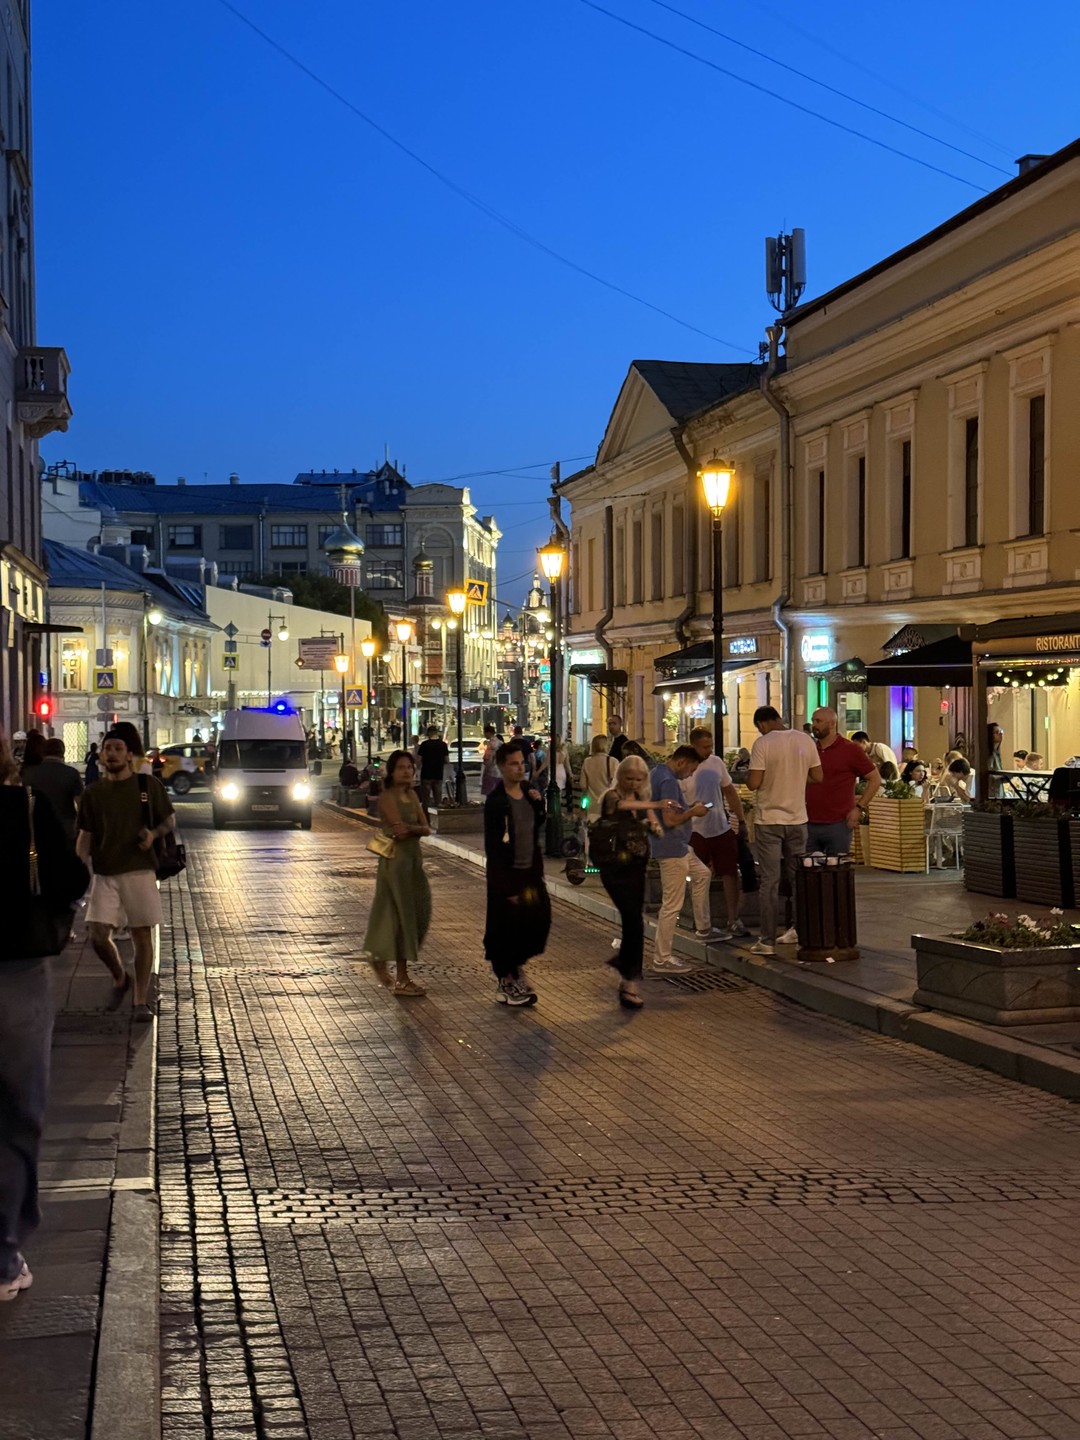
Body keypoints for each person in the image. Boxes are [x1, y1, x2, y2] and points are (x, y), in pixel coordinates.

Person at [1, 729, 90, 1304]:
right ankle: (4, 1255)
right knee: (15, 1115)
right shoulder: (22, 809)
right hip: (14, 972)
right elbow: (70, 881)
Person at [76, 727, 176, 1020]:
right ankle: (121, 977)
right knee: (97, 935)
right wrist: (78, 867)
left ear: (129, 755)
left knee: (141, 934)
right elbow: (85, 835)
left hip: (140, 871)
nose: (112, 753)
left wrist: (153, 834)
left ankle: (140, 999)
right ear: (101, 756)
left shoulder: (147, 786)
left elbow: (169, 821)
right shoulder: (93, 793)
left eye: (118, 748)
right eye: (108, 749)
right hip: (105, 874)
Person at [747, 706, 822, 957]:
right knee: (797, 877)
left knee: (769, 881)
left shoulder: (762, 743)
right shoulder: (805, 740)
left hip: (769, 820)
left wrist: (755, 778)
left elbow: (755, 782)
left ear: (762, 724)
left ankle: (767, 941)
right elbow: (818, 776)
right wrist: (796, 779)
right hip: (798, 819)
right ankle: (801, 932)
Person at [483, 742, 550, 1006]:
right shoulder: (496, 802)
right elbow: (493, 846)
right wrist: (504, 887)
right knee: (507, 930)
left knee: (538, 922)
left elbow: (536, 825)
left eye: (522, 762)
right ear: (501, 767)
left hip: (531, 872)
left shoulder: (527, 791)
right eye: (514, 763)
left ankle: (515, 968)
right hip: (507, 876)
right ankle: (507, 980)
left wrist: (539, 805)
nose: (520, 767)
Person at [649, 745, 725, 975]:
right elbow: (670, 820)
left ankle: (703, 927)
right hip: (671, 847)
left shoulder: (658, 773)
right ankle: (662, 959)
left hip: (680, 846)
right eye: (691, 769)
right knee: (672, 904)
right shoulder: (669, 781)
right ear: (682, 762)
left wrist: (689, 807)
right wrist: (693, 812)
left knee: (702, 873)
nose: (691, 774)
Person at [593, 755, 660, 1009]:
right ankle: (628, 977)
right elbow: (618, 807)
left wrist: (654, 823)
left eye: (638, 779)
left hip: (636, 866)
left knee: (635, 923)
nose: (633, 783)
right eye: (629, 778)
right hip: (614, 868)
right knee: (633, 920)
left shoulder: (641, 800)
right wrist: (656, 806)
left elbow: (647, 819)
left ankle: (628, 979)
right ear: (621, 777)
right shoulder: (612, 796)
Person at [362, 750, 430, 996]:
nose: (407, 772)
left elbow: (426, 828)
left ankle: (381, 959)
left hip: (413, 862)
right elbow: (400, 832)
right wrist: (413, 829)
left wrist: (412, 828)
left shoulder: (411, 795)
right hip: (396, 864)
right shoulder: (388, 797)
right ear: (392, 771)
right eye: (401, 767)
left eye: (410, 767)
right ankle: (402, 978)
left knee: (419, 913)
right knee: (403, 918)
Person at [685, 726, 748, 938]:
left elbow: (729, 790)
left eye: (710, 745)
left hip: (720, 826)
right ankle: (701, 921)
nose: (709, 750)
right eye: (704, 747)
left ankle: (733, 919)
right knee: (699, 877)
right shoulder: (684, 767)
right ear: (693, 745)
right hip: (695, 829)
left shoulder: (716, 762)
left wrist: (740, 819)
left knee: (730, 872)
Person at [806, 707, 879, 856]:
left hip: (838, 822)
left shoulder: (850, 750)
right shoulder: (810, 749)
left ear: (832, 724)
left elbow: (875, 779)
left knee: (836, 870)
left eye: (818, 721)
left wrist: (859, 808)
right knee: (810, 871)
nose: (814, 725)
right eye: (813, 721)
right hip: (808, 821)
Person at [19, 737, 84, 844]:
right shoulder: (72, 774)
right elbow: (80, 803)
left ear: (43, 752)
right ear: (62, 752)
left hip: (38, 827)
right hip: (65, 828)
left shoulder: (29, 774)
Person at [579, 735, 618, 818]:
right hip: (608, 805)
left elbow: (583, 785)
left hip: (592, 806)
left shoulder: (587, 762)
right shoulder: (613, 762)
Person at [416, 726, 450, 812]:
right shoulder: (443, 745)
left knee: (425, 799)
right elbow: (446, 760)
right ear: (437, 733)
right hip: (438, 774)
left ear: (429, 733)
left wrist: (417, 770)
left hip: (426, 774)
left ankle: (426, 817)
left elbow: (419, 759)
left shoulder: (424, 744)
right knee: (438, 798)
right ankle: (436, 816)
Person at [480, 724, 501, 798]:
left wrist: (486, 762)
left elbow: (488, 757)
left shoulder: (491, 743)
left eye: (485, 732)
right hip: (499, 770)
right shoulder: (499, 742)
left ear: (489, 732)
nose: (484, 734)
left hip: (491, 771)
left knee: (490, 792)